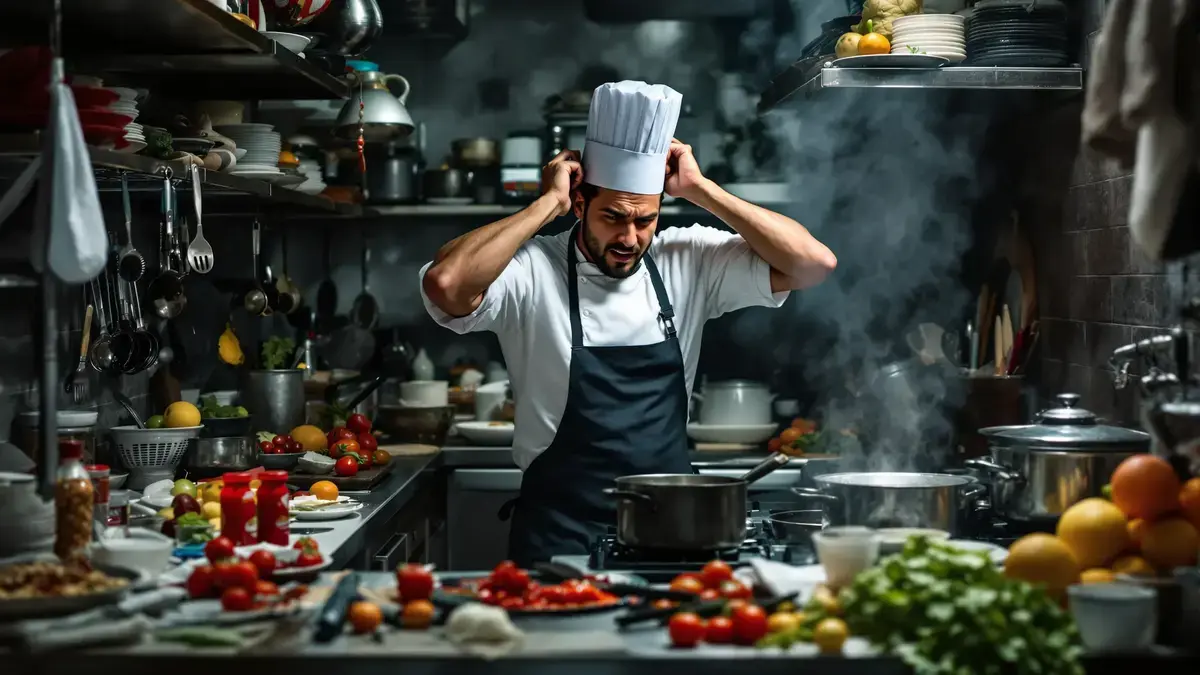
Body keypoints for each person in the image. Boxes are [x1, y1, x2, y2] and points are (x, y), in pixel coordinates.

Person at [420, 81, 836, 566]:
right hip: (558, 534)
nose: (630, 238)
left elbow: (814, 265)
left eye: (645, 220)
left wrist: (702, 191)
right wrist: (546, 204)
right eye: (614, 217)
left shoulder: (689, 258)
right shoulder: (531, 268)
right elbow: (447, 283)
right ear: (580, 204)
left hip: (671, 530)